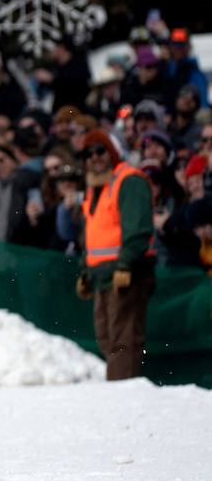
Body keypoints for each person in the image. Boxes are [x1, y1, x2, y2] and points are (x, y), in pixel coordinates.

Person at [73, 131, 156, 381]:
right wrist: (85, 271)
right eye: (88, 154)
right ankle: (120, 392)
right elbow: (92, 235)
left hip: (126, 274)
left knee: (124, 341)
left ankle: (123, 397)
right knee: (108, 339)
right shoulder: (95, 188)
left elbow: (138, 229)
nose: (94, 158)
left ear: (112, 152)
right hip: (103, 277)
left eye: (100, 151)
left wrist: (125, 263)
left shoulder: (128, 181)